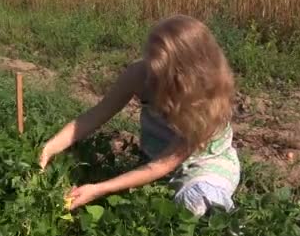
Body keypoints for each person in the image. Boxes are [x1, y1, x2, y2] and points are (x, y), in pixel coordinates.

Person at [39, 15, 240, 217]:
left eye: (161, 75)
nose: (152, 78)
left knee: (196, 201)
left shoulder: (206, 104)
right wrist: (48, 149)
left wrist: (98, 189)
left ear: (185, 77)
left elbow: (161, 166)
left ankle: (226, 223)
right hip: (155, 157)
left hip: (204, 164)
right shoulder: (141, 74)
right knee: (157, 207)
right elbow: (95, 116)